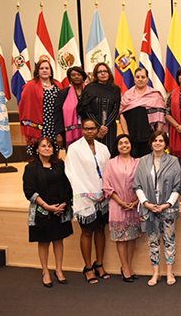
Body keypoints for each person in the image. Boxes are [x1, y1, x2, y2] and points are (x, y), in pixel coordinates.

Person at [133, 130, 181, 286]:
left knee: (170, 240)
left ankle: (169, 272)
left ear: (165, 143)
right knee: (153, 241)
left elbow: (177, 186)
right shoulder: (143, 161)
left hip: (168, 209)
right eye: (155, 140)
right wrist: (146, 203)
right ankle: (156, 273)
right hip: (149, 209)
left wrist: (167, 204)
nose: (158, 143)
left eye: (161, 140)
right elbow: (138, 185)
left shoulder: (174, 161)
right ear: (151, 142)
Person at [22, 137, 73, 287]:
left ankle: (59, 269)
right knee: (44, 242)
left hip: (60, 209)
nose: (47, 148)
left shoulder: (60, 165)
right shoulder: (31, 168)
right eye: (43, 146)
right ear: (37, 149)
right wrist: (47, 206)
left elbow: (68, 186)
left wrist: (64, 203)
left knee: (58, 240)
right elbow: (29, 191)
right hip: (41, 211)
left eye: (50, 146)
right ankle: (45, 271)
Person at [65, 119, 111, 284]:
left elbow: (108, 171)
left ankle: (99, 264)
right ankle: (88, 267)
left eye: (92, 129)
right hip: (85, 197)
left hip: (103, 197)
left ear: (97, 129)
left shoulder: (103, 148)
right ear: (82, 130)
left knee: (100, 229)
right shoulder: (74, 149)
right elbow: (73, 174)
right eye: (86, 129)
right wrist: (90, 193)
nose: (89, 132)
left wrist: (106, 191)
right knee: (87, 232)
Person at [103, 134, 141, 282]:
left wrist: (137, 201)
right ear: (117, 146)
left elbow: (143, 183)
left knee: (132, 237)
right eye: (121, 143)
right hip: (117, 205)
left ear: (131, 145)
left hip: (134, 205)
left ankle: (129, 266)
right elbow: (107, 186)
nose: (124, 145)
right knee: (121, 238)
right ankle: (124, 267)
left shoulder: (138, 162)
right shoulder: (111, 163)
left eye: (126, 142)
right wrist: (120, 202)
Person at [119, 67, 166, 158]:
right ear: (134, 78)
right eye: (138, 77)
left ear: (147, 79)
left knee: (149, 163)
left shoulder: (155, 95)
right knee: (134, 164)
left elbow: (161, 117)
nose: (140, 79)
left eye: (143, 77)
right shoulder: (127, 95)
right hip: (132, 137)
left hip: (150, 137)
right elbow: (122, 116)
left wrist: (157, 136)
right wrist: (126, 136)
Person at [19, 59, 62, 155]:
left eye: (47, 68)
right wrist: (30, 130)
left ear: (51, 71)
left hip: (55, 125)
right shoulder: (30, 86)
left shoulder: (58, 85)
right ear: (37, 72)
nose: (44, 70)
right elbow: (25, 107)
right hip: (39, 126)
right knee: (39, 154)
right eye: (41, 68)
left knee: (54, 153)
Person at [77, 63, 121, 155]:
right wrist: (98, 126)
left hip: (110, 128)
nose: (103, 73)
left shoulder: (115, 89)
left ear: (109, 73)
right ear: (96, 74)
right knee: (94, 153)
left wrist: (105, 127)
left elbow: (116, 109)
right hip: (93, 128)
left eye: (105, 71)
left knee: (109, 154)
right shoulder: (90, 88)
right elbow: (86, 109)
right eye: (100, 72)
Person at [54, 66, 86, 149]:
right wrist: (59, 134)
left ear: (83, 77)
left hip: (89, 132)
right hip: (68, 133)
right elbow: (58, 114)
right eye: (73, 75)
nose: (76, 77)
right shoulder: (63, 93)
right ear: (70, 78)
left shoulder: (89, 92)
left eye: (79, 74)